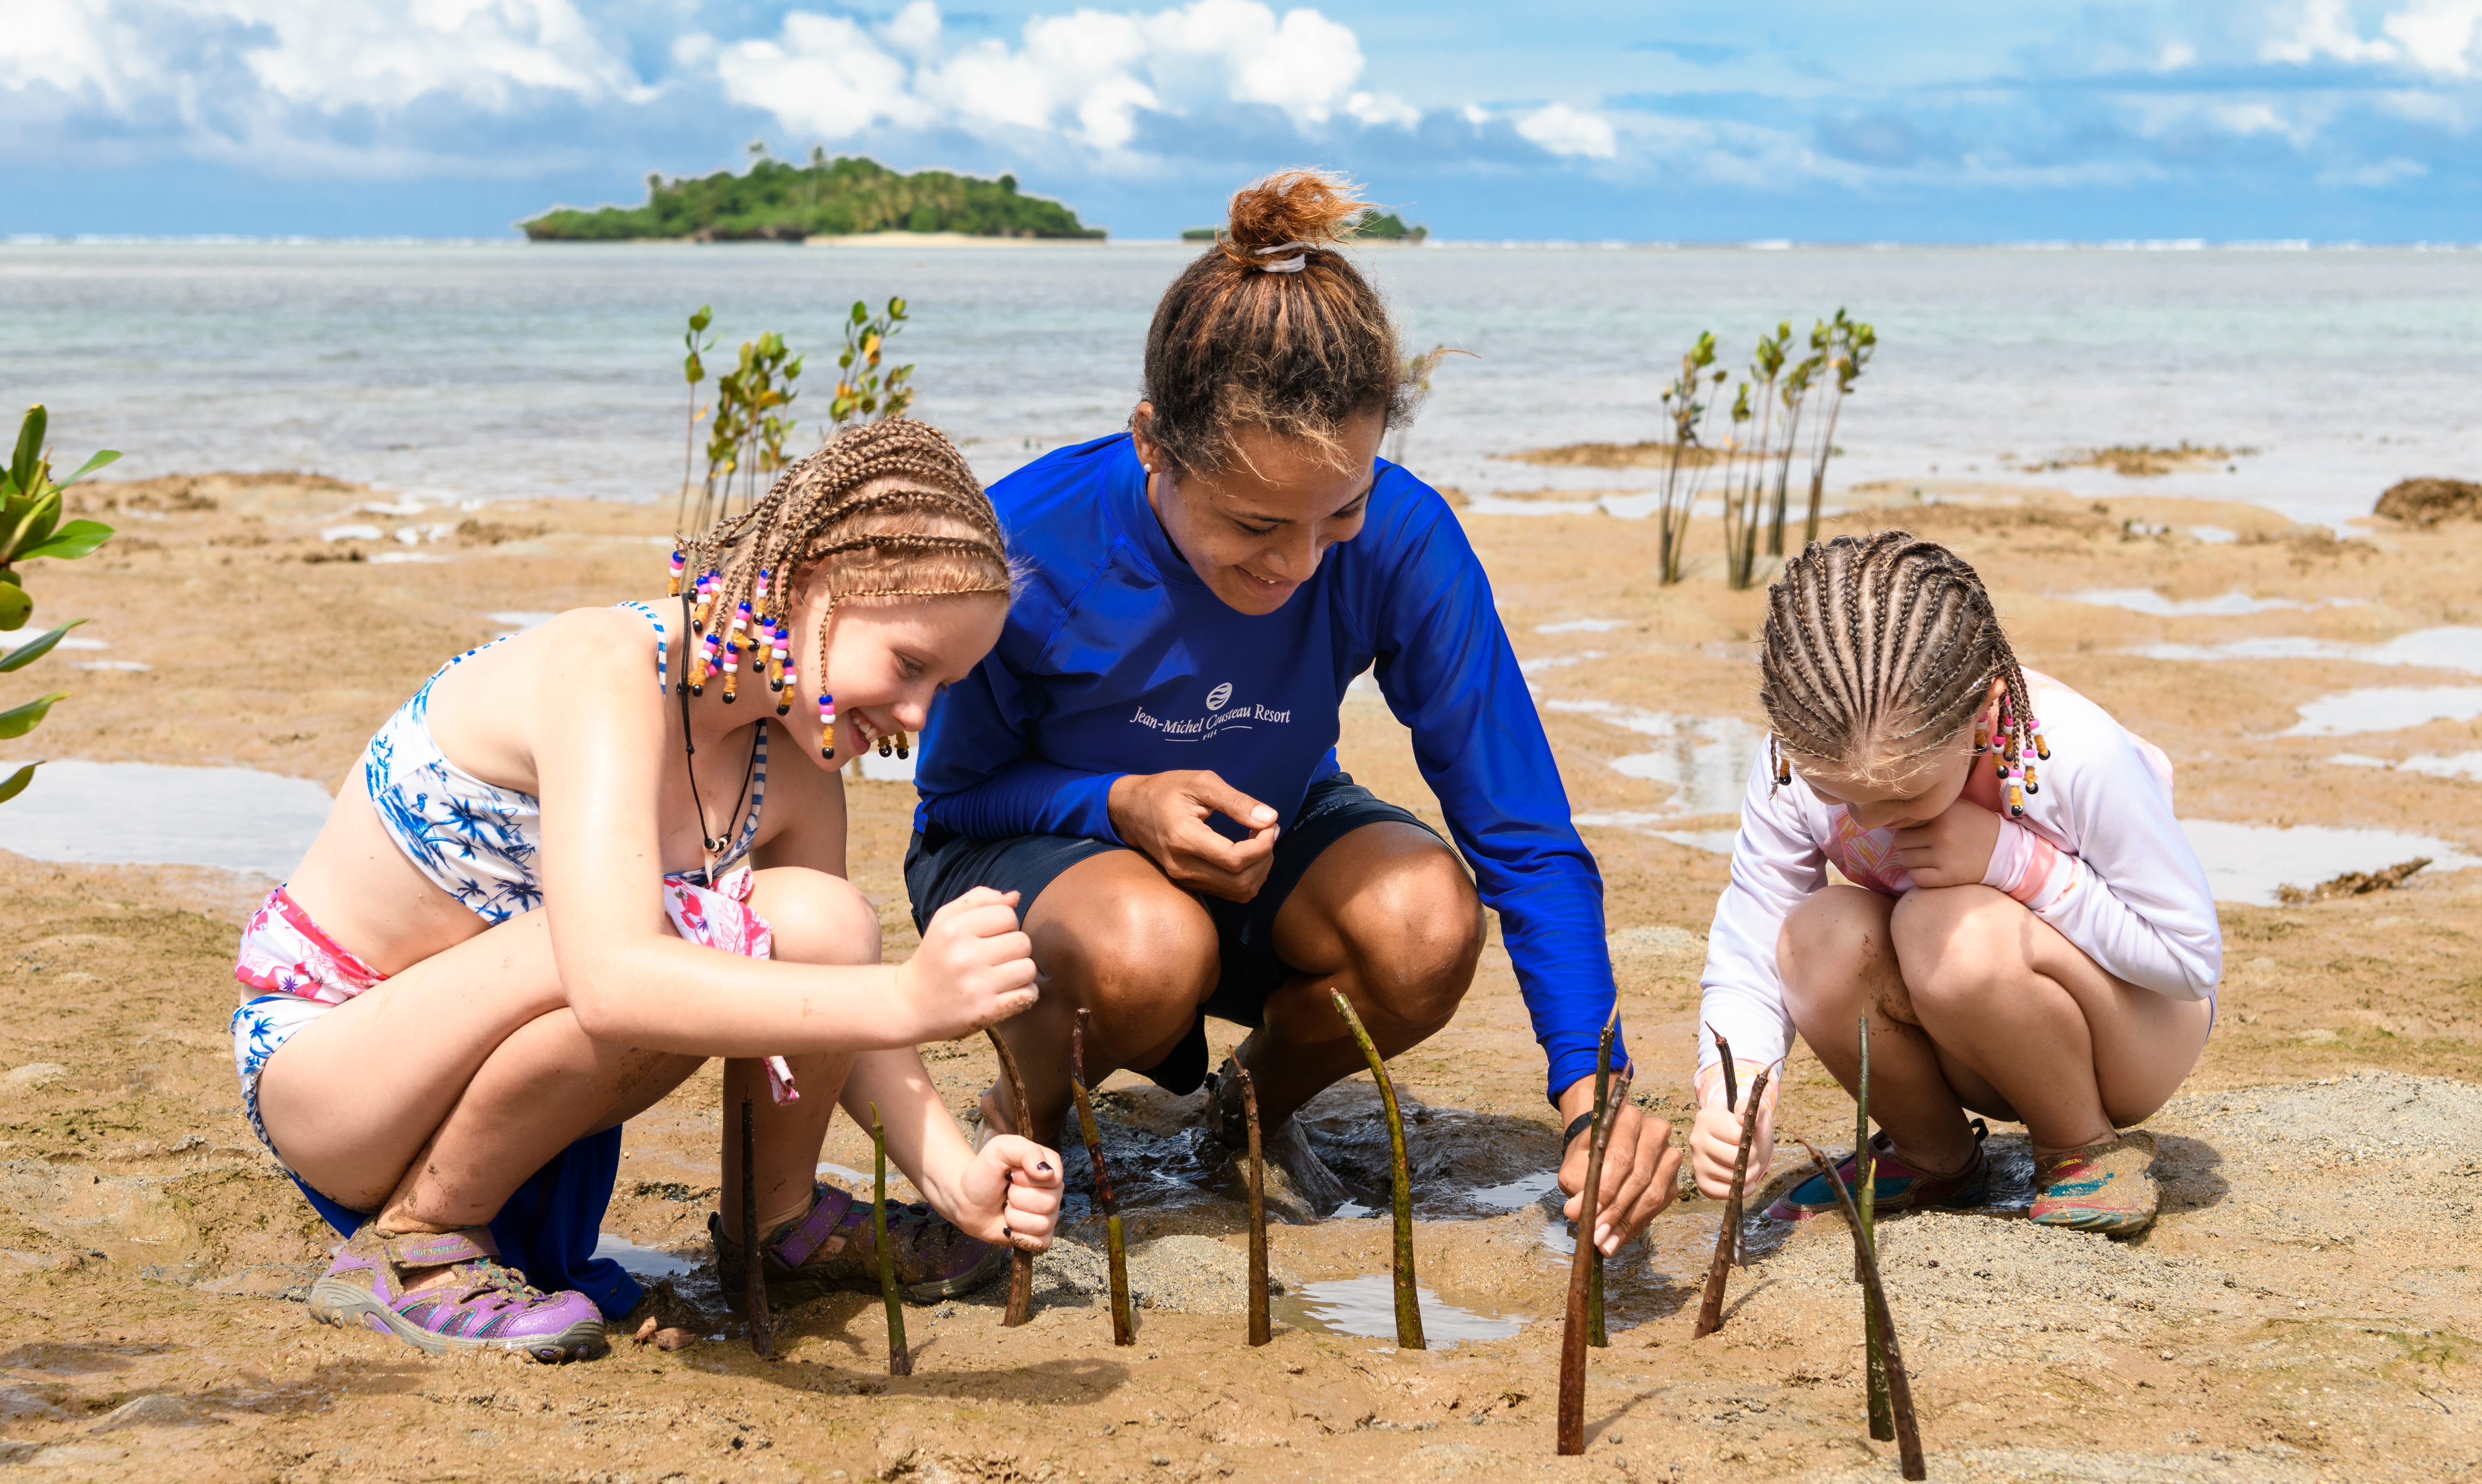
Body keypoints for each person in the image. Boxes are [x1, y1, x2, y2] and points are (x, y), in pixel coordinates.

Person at [906, 169, 1672, 1255]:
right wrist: (1119, 802)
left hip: (1268, 833)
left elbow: (1525, 832)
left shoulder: (1404, 539)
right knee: (1145, 944)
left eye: (1340, 511)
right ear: (1153, 443)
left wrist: (1592, 1097)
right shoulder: (1029, 544)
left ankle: (1244, 1113)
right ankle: (1020, 1126)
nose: (1302, 563)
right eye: (1257, 523)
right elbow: (953, 802)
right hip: (1038, 845)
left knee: (1426, 922)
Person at [231, 418, 1063, 1362]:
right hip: (340, 1077)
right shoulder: (606, 669)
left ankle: (779, 1224)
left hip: (516, 1095)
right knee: (649, 938)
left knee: (826, 920)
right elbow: (611, 980)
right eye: (909, 665)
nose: (916, 715)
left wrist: (958, 1178)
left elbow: (831, 1001)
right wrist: (915, 994)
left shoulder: (791, 764)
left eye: (944, 686)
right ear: (814, 580)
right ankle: (416, 1245)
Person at [1687, 531, 2221, 1237]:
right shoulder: (1799, 759)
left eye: (1903, 796)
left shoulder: (2075, 754)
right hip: (1958, 1026)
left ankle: (2079, 1147)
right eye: (1837, 794)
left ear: (1982, 711)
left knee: (1944, 928)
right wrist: (1736, 1085)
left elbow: (2190, 961)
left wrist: (2013, 859)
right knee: (1811, 935)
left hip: (2130, 1038)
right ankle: (1932, 1153)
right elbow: (1755, 926)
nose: (1868, 820)